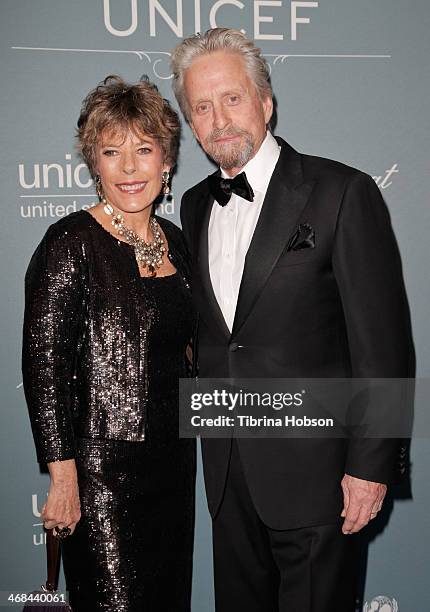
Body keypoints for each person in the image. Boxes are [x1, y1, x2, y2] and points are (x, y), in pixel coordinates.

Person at [171, 28, 415, 612]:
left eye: (231, 98)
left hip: (319, 479)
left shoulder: (342, 192)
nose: (219, 120)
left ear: (265, 101)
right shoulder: (195, 204)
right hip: (228, 474)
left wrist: (371, 466)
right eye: (201, 107)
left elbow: (384, 346)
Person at [22, 75, 196, 611]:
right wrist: (63, 475)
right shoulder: (71, 241)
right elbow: (44, 366)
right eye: (111, 151)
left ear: (165, 160)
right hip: (101, 475)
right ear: (93, 163)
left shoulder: (178, 242)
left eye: (143, 150)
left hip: (174, 464)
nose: (128, 167)